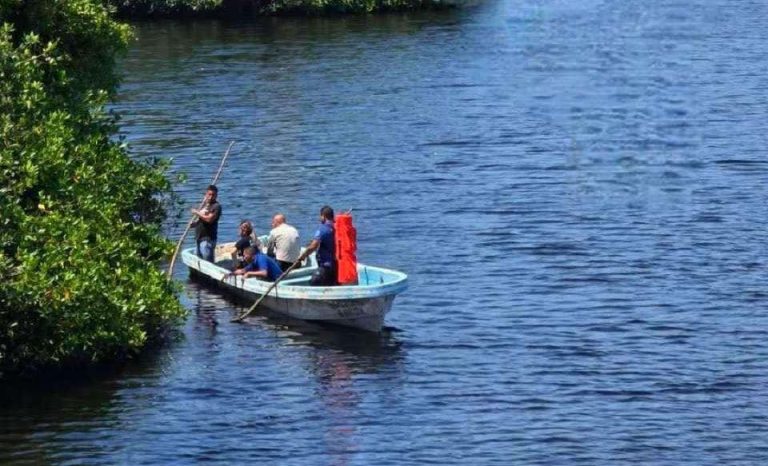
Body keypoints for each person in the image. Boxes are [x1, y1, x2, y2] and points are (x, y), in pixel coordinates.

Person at [296, 205, 338, 286]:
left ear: (323, 216)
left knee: (313, 282)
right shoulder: (335, 227)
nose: (320, 218)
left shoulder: (323, 228)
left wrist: (303, 256)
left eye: (320, 216)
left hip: (325, 265)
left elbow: (313, 246)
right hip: (335, 265)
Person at [191, 185, 221, 262]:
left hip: (207, 240)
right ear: (206, 194)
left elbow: (209, 220)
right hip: (199, 238)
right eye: (209, 194)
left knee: (208, 263)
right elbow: (202, 220)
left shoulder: (216, 206)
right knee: (199, 261)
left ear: (216, 195)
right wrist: (195, 224)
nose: (211, 197)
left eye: (213, 195)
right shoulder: (205, 206)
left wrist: (196, 212)